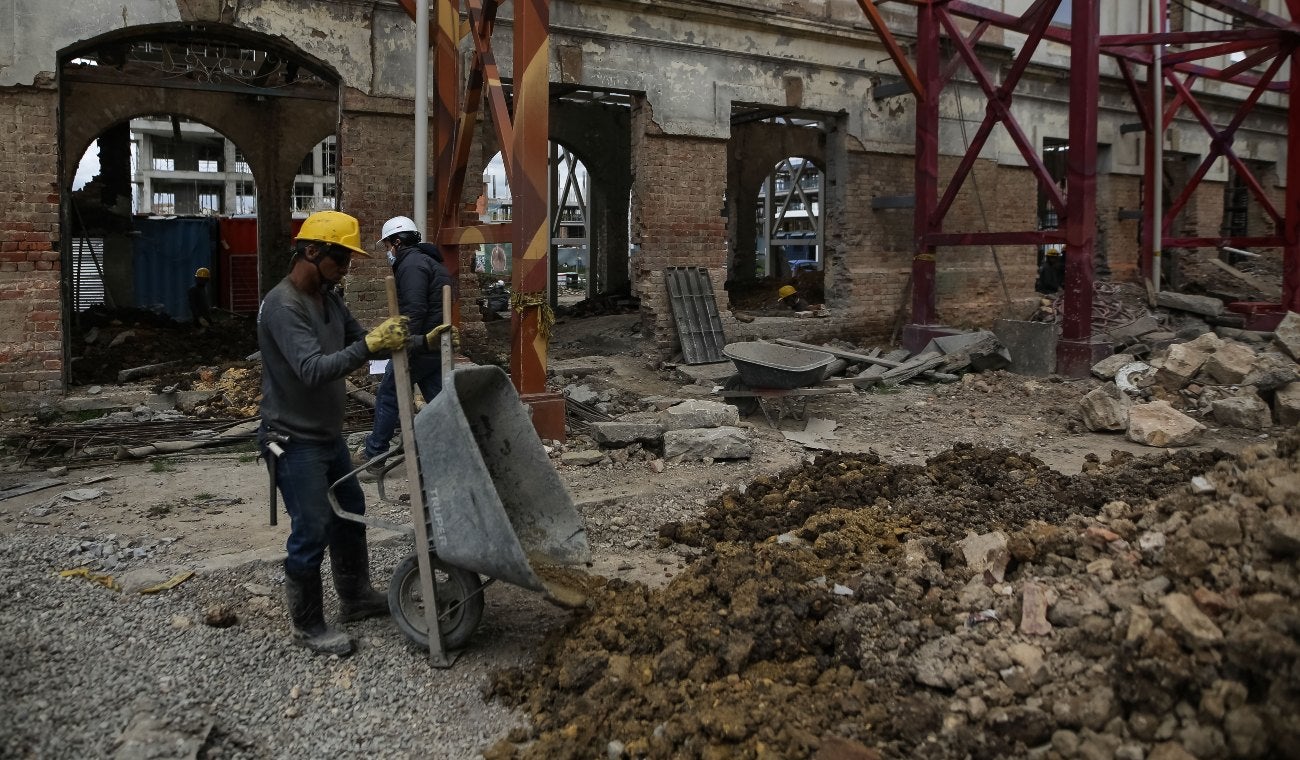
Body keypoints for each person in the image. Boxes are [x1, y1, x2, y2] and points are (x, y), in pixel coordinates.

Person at [257, 210, 412, 656]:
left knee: (350, 512)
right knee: (312, 528)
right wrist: (369, 345)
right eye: (340, 259)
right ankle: (307, 626)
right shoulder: (283, 305)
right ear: (311, 250)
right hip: (291, 438)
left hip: (326, 435)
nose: (345, 269)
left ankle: (356, 598)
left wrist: (415, 342)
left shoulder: (329, 298)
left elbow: (362, 341)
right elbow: (311, 370)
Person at [354, 215, 454, 473]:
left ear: (397, 242)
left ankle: (374, 455)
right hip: (434, 344)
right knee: (441, 400)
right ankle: (461, 449)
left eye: (388, 246)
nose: (387, 251)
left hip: (419, 345)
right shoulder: (431, 262)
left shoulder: (411, 264)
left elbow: (414, 309)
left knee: (389, 394)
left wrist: (406, 343)